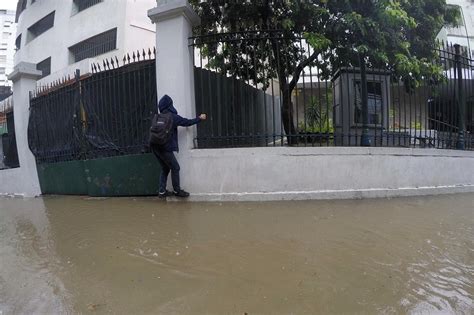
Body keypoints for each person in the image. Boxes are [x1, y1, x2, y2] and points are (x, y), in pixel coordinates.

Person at [151, 94, 206, 198]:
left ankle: (162, 192)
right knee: (175, 168)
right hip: (164, 147)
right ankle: (177, 191)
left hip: (154, 146)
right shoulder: (173, 117)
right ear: (170, 105)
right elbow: (187, 122)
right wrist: (199, 118)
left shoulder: (157, 117)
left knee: (165, 168)